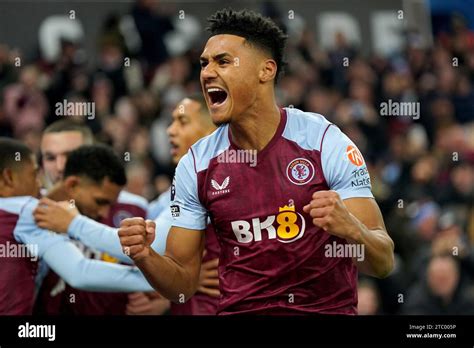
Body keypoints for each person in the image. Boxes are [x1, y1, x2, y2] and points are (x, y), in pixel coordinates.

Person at [119, 9, 394, 315]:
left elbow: (383, 262)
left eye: (223, 61)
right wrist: (144, 255)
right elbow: (182, 285)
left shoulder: (324, 142)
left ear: (266, 70)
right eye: (204, 63)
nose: (207, 72)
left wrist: (353, 230)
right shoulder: (195, 164)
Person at [0, 138, 154, 315]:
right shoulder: (28, 212)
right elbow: (80, 272)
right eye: (34, 175)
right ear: (8, 177)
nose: (40, 183)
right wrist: (162, 279)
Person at [38, 120, 166, 315]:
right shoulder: (32, 212)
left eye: (70, 155)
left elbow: (162, 256)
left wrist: (167, 297)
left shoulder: (135, 207)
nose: (61, 166)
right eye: (50, 157)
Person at [148, 95, 220, 314]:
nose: (170, 130)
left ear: (212, 133)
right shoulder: (160, 203)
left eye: (183, 121)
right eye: (171, 121)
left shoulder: (231, 186)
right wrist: (171, 291)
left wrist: (72, 223)